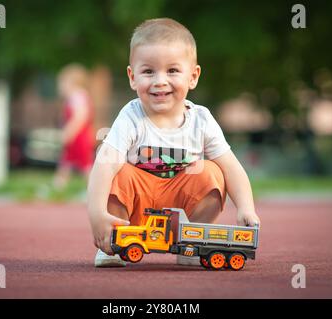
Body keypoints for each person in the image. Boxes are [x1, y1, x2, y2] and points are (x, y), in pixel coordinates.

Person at [87, 18, 260, 267]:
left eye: (172, 71)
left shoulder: (201, 119)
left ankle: (191, 243)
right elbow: (104, 166)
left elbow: (232, 167)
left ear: (193, 76)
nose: (160, 81)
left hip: (181, 209)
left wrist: (246, 208)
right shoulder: (131, 116)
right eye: (148, 71)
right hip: (138, 210)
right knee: (115, 169)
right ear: (132, 77)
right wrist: (96, 214)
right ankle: (115, 242)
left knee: (212, 172)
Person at [53, 64, 95, 191]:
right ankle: (57, 188)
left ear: (72, 83)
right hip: (76, 138)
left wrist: (68, 133)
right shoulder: (73, 98)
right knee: (66, 163)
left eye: (62, 83)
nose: (60, 87)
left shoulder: (77, 96)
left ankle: (95, 190)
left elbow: (80, 117)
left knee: (86, 166)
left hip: (79, 138)